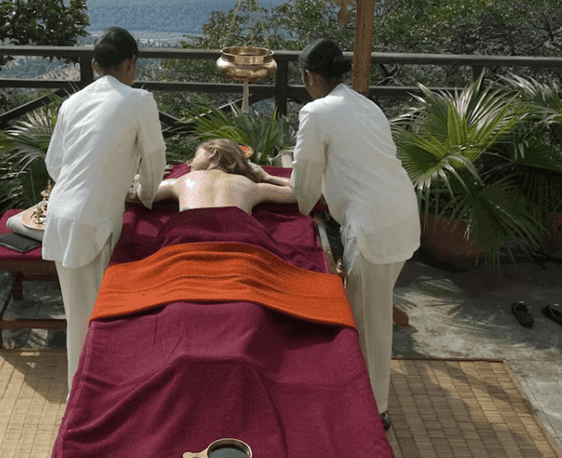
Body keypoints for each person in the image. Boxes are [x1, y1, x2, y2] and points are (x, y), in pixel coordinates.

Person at [289, 38, 420, 431]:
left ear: (311, 77)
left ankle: (374, 412)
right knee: (369, 312)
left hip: (373, 227)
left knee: (370, 323)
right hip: (402, 214)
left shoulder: (316, 111)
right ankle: (362, 395)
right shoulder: (367, 104)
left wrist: (285, 191)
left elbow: (305, 189)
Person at [43, 27, 167, 386]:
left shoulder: (73, 102)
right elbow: (155, 159)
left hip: (63, 215)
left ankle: (87, 399)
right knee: (91, 325)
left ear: (96, 64)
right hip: (90, 222)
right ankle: (82, 408)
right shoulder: (139, 100)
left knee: (79, 318)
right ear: (130, 63)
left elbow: (55, 164)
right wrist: (143, 195)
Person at [144, 138, 295, 213]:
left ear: (214, 154)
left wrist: (146, 175)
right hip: (238, 236)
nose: (189, 164)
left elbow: (135, 194)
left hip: (189, 232)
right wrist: (268, 177)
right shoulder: (251, 186)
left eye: (194, 157)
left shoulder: (182, 181)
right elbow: (301, 193)